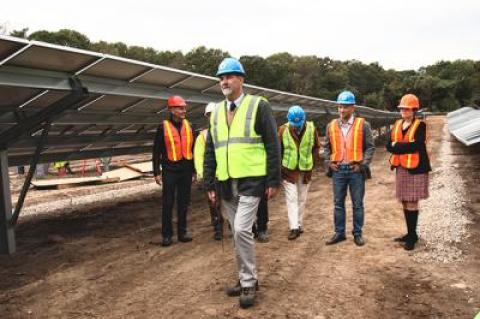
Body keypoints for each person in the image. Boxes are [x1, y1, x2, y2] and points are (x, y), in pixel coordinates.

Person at [203, 57, 281, 308]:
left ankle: (248, 282)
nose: (224, 81)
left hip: (251, 180)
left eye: (230, 76)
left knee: (241, 229)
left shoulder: (259, 106)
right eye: (221, 77)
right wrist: (209, 184)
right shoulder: (215, 113)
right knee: (237, 234)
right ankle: (245, 278)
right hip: (226, 182)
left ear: (241, 79)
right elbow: (210, 150)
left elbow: (272, 143)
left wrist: (273, 179)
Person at [324, 91, 375, 246]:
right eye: (339, 107)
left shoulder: (363, 125)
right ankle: (339, 233)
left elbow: (370, 147)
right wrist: (328, 163)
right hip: (338, 170)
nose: (341, 110)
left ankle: (357, 234)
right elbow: (326, 147)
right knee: (338, 203)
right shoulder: (331, 126)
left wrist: (362, 165)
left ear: (353, 108)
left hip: (355, 170)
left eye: (345, 107)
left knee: (357, 204)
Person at [386, 94, 431, 251]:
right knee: (405, 200)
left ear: (414, 110)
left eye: (407, 108)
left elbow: (417, 145)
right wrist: (401, 145)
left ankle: (412, 237)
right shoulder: (397, 124)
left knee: (412, 201)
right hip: (402, 167)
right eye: (402, 108)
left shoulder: (421, 125)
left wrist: (396, 145)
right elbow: (388, 145)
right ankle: (410, 233)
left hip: (417, 168)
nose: (404, 111)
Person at [152, 95, 196, 247]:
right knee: (168, 203)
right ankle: (167, 235)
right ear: (171, 109)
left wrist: (194, 170)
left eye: (184, 107)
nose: (184, 110)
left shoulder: (190, 126)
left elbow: (193, 149)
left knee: (184, 202)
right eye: (180, 108)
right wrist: (156, 172)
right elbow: (156, 151)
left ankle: (182, 232)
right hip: (170, 169)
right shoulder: (162, 127)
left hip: (186, 169)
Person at [278, 105, 321, 240]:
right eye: (294, 124)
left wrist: (312, 162)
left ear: (304, 119)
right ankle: (294, 227)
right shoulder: (283, 129)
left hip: (305, 170)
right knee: (292, 198)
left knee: (302, 198)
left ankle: (299, 224)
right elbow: (278, 150)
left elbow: (316, 147)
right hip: (288, 171)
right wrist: (280, 167)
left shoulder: (311, 128)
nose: (296, 127)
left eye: (298, 124)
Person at [194, 102, 223, 241]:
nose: (212, 117)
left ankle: (236, 225)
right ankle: (218, 228)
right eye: (210, 115)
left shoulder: (227, 131)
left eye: (214, 114)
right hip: (212, 175)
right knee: (214, 203)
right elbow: (199, 156)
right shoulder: (203, 136)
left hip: (227, 173)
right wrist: (202, 174)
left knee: (232, 201)